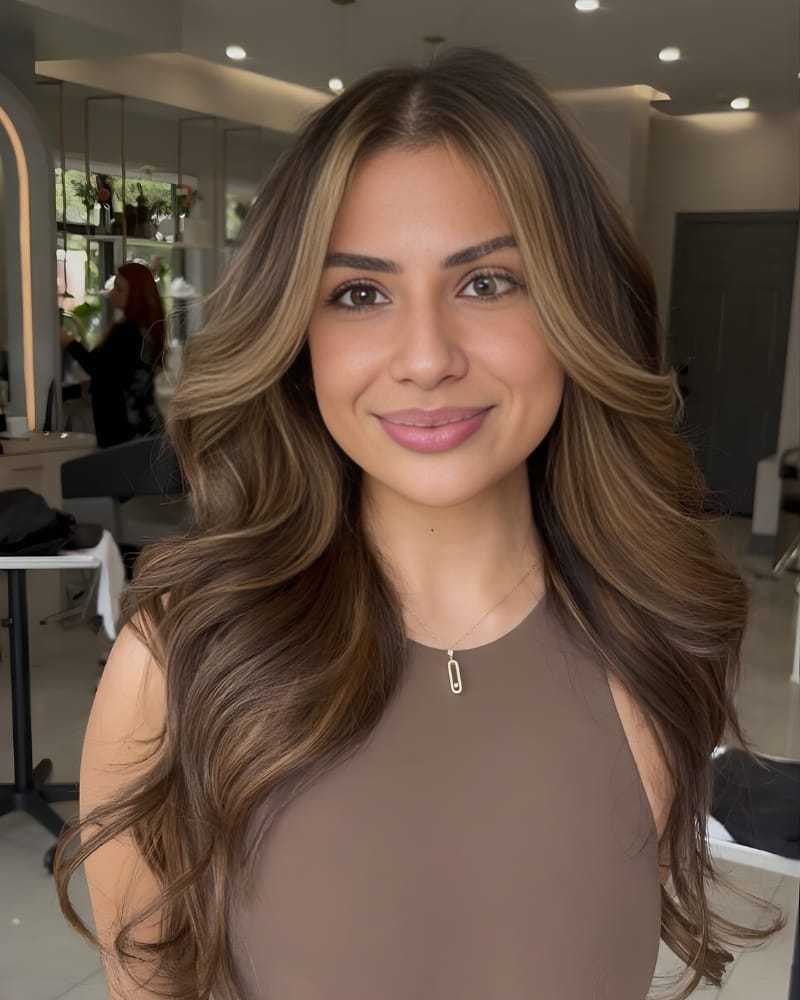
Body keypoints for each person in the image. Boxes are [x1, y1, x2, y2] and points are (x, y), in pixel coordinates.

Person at [53, 47, 784, 1000]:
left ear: (575, 307)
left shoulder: (653, 638)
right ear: (296, 334)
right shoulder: (182, 657)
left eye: (487, 283)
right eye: (359, 293)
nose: (427, 357)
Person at [60, 261, 166, 448]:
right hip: (139, 428)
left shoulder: (127, 332)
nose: (111, 293)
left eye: (118, 288)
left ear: (134, 294)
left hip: (125, 429)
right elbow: (116, 374)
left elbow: (97, 368)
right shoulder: (142, 330)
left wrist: (69, 342)